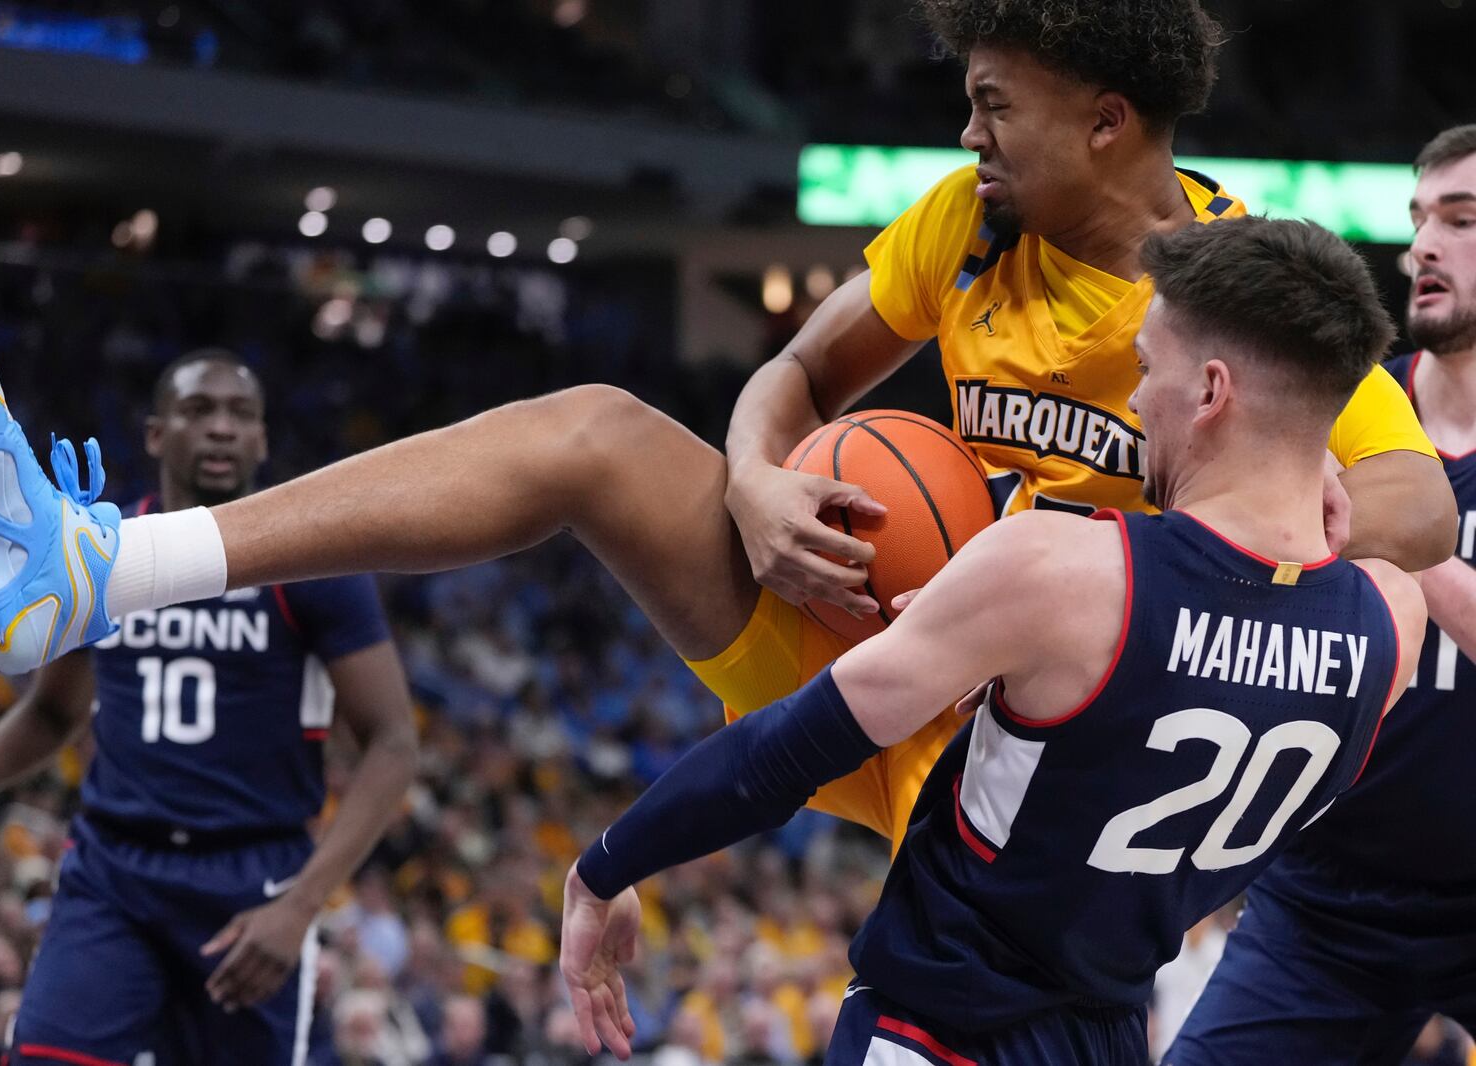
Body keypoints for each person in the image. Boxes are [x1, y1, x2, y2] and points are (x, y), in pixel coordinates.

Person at [0, 0, 1450, 851]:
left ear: (1107, 120)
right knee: (593, 427)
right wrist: (764, 483)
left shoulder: (1231, 292)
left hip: (1052, 735)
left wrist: (1122, 567)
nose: (965, 131)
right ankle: (96, 571)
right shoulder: (965, 229)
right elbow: (789, 377)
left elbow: (1410, 512)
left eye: (995, 102)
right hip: (887, 654)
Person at [554, 218, 1426, 1065]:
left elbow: (782, 756)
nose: (1131, 397)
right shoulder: (1391, 623)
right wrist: (1307, 457)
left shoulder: (1066, 573)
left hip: (942, 1029)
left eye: (1146, 369)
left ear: (1209, 393)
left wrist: (602, 870)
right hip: (1110, 1032)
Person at [0, 351, 419, 1065]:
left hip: (253, 880)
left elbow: (393, 741)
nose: (220, 430)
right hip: (116, 869)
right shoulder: (102, 550)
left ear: (263, 441)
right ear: (154, 434)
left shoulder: (312, 556)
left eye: (240, 415)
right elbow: (54, 715)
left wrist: (302, 906)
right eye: (199, 410)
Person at [1166, 126, 1476, 1066]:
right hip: (1328, 898)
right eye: (1418, 219)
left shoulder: (1361, 474)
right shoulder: (1343, 418)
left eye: (1460, 220)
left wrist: (1400, 532)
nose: (1421, 245)